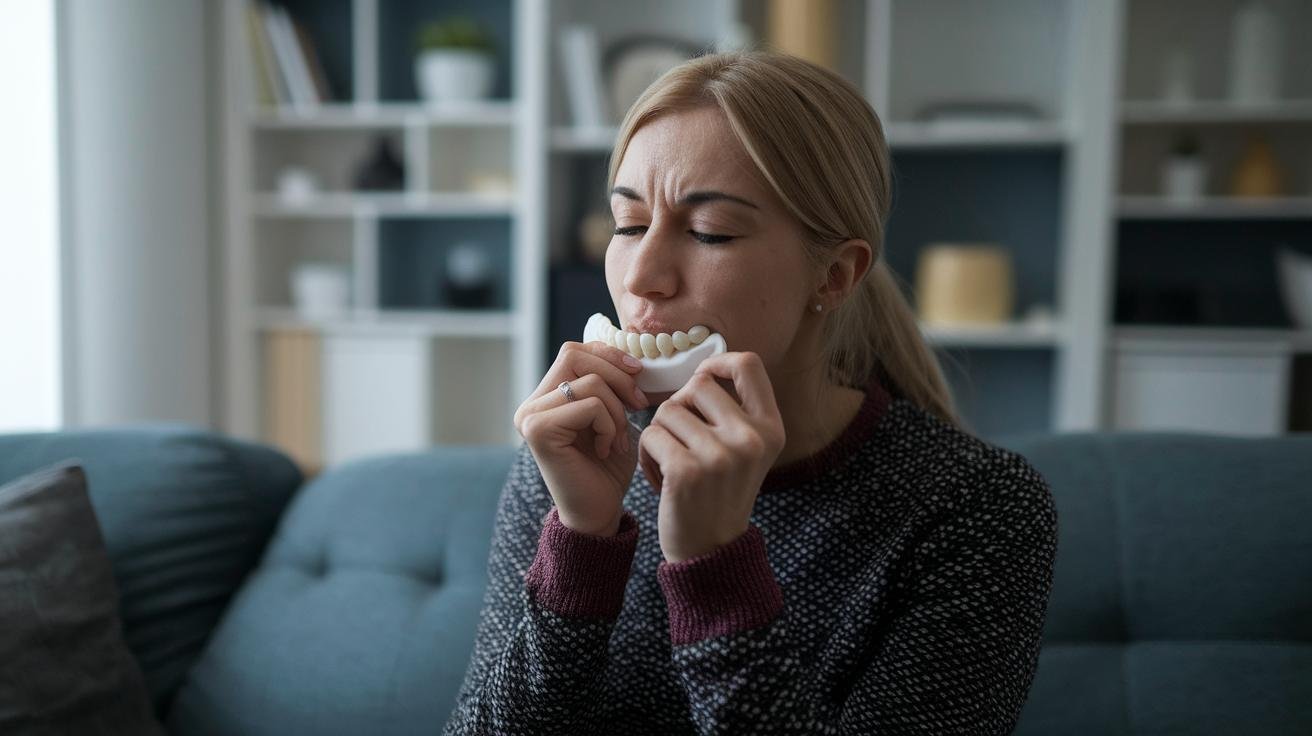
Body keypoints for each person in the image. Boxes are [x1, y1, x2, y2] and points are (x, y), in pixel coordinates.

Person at [443, 49, 1058, 735]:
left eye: (711, 232)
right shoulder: (565, 466)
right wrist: (581, 544)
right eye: (629, 224)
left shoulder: (979, 510)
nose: (643, 276)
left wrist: (715, 565)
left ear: (833, 276)